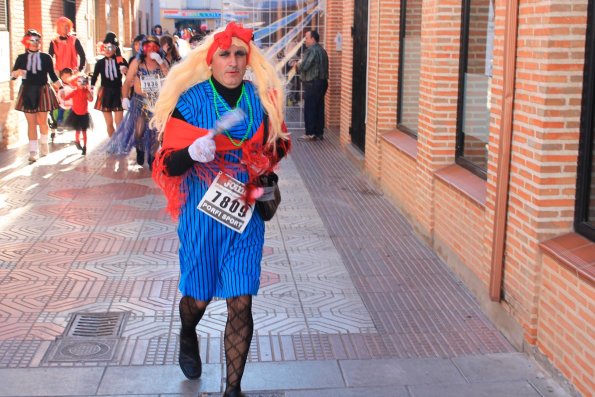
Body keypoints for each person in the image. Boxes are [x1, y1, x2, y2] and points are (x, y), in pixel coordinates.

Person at [150, 22, 291, 397]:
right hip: (201, 215)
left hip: (244, 215)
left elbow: (277, 147)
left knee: (241, 302)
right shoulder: (192, 100)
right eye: (225, 54)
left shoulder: (260, 101)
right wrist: (191, 152)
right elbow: (168, 162)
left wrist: (261, 163)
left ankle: (233, 390)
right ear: (210, 61)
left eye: (240, 54)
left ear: (249, 60)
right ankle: (187, 330)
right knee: (197, 298)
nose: (232, 61)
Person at [107, 36, 169, 167]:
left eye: (154, 47)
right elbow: (128, 81)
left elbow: (170, 77)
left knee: (156, 130)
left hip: (156, 102)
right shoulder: (137, 62)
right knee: (139, 130)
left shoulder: (161, 62)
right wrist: (124, 97)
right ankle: (140, 149)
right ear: (144, 48)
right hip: (140, 100)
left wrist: (161, 62)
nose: (151, 50)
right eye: (148, 47)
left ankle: (152, 156)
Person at [12, 29, 61, 162]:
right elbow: (13, 76)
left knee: (42, 122)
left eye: (37, 40)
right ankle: (33, 151)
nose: (34, 43)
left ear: (40, 42)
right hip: (27, 91)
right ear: (26, 42)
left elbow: (52, 75)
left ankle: (44, 143)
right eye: (31, 40)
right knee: (31, 123)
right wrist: (16, 73)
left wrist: (61, 89)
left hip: (43, 91)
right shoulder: (21, 58)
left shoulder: (46, 57)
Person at [48, 17, 87, 128]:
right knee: (58, 98)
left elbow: (83, 56)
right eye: (63, 26)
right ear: (58, 27)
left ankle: (72, 121)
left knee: (74, 99)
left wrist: (79, 71)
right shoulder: (53, 42)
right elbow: (49, 58)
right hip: (59, 75)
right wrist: (52, 74)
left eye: (67, 26)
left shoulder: (74, 40)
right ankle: (57, 121)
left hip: (73, 76)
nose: (65, 28)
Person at [91, 32, 128, 137]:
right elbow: (94, 77)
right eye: (105, 47)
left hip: (117, 92)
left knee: (119, 123)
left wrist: (125, 70)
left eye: (110, 47)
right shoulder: (100, 63)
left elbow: (129, 76)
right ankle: (112, 143)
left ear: (115, 48)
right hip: (105, 93)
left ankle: (120, 143)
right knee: (109, 123)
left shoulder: (120, 60)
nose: (107, 50)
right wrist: (91, 88)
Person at [294, 30, 328, 141]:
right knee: (319, 107)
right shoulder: (323, 50)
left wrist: (296, 65)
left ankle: (310, 133)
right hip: (322, 83)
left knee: (310, 108)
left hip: (312, 83)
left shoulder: (311, 50)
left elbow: (304, 66)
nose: (305, 40)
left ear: (313, 39)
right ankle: (319, 133)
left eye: (307, 38)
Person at [63, 74, 93, 155]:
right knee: (78, 130)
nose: (81, 84)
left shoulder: (86, 91)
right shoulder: (75, 92)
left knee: (84, 131)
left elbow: (91, 99)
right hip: (76, 114)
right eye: (80, 82)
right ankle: (77, 141)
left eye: (83, 82)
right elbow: (66, 98)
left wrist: (89, 92)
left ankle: (85, 147)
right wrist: (62, 95)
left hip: (84, 114)